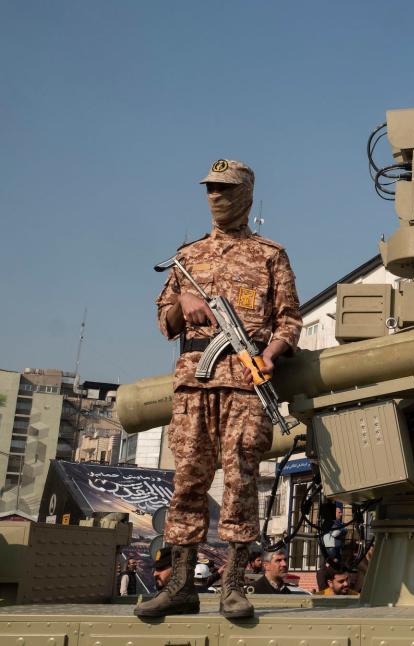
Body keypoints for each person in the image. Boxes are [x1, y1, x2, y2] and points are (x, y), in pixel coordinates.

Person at [136, 159, 303, 621]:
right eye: (211, 189)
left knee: (240, 481)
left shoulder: (270, 254)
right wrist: (182, 300)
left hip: (246, 386)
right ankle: (182, 586)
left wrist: (271, 354)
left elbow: (289, 319)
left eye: (226, 190)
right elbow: (163, 320)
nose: (216, 197)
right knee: (187, 482)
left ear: (246, 194)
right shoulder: (186, 257)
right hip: (195, 381)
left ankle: (233, 584)